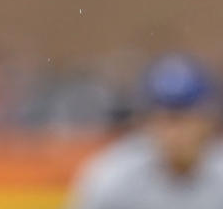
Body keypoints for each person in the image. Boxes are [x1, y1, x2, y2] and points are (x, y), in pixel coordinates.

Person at [67, 53, 223, 209]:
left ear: (207, 121)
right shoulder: (113, 177)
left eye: (183, 119)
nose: (175, 132)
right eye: (165, 120)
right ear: (146, 123)